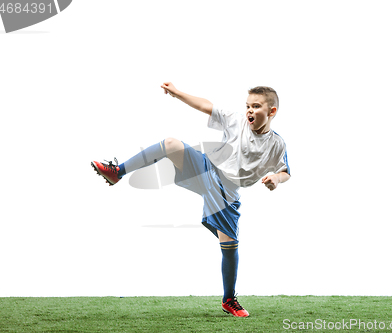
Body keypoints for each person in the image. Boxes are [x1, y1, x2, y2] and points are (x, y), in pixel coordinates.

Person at [91, 82, 291, 317]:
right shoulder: (236, 120)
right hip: (206, 168)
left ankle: (229, 300)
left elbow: (285, 171)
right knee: (170, 144)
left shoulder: (277, 144)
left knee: (229, 244)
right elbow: (207, 106)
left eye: (256, 106)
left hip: (227, 191)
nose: (249, 110)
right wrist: (178, 94)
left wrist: (276, 179)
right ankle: (118, 172)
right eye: (247, 105)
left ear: (271, 112)